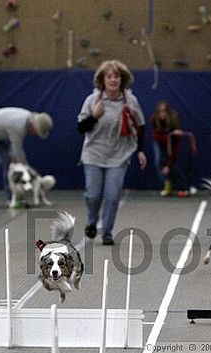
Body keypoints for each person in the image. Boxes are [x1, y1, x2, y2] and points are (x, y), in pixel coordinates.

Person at [77, 60, 147, 245]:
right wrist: (94, 116)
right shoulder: (92, 100)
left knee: (112, 195)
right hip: (94, 153)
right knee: (93, 194)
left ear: (122, 80)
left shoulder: (130, 101)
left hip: (119, 154)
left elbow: (141, 127)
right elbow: (81, 127)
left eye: (116, 76)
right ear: (102, 79)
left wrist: (141, 151)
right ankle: (92, 221)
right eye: (109, 76)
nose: (113, 80)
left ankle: (106, 231)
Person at [0, 107, 53, 209]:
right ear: (34, 126)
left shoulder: (26, 119)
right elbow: (17, 152)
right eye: (37, 132)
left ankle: (11, 198)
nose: (35, 134)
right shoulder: (19, 125)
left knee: (9, 163)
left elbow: (15, 156)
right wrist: (30, 173)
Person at [150, 101, 190, 197]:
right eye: (160, 112)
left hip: (172, 142)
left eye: (164, 111)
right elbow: (156, 136)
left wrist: (169, 165)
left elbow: (175, 146)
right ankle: (167, 185)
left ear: (168, 112)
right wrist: (169, 135)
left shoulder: (174, 119)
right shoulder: (154, 119)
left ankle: (184, 187)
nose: (162, 114)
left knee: (173, 165)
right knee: (159, 161)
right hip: (160, 142)